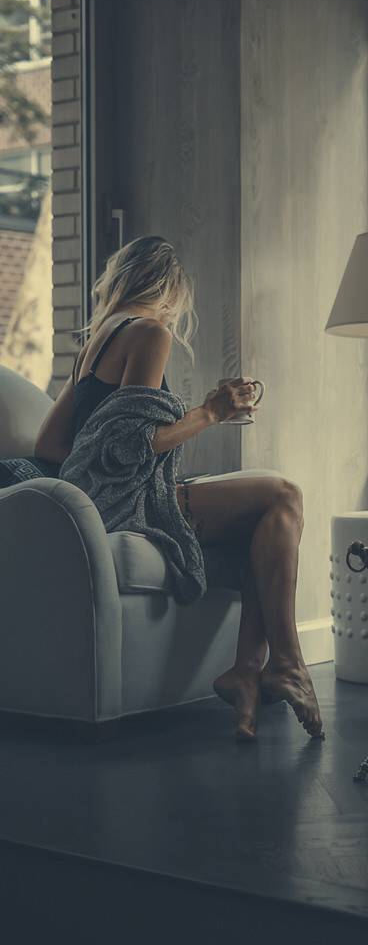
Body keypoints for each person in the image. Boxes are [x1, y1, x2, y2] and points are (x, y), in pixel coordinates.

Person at [34, 235, 323, 743]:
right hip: (127, 505)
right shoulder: (148, 332)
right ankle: (286, 664)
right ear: (169, 290)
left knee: (267, 520)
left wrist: (98, 464)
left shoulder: (93, 345)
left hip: (99, 501)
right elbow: (134, 444)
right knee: (285, 496)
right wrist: (212, 412)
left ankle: (249, 675)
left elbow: (52, 444)